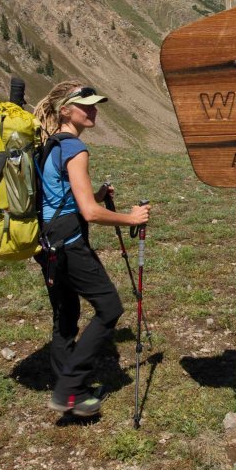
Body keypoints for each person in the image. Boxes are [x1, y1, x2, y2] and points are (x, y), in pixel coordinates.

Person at [33, 81, 150, 417]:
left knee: (66, 316)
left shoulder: (51, 144)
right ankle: (70, 390)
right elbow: (90, 214)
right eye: (86, 106)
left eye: (96, 105)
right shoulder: (75, 149)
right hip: (69, 244)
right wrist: (131, 218)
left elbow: (61, 197)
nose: (94, 110)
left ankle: (69, 389)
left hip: (46, 244)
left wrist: (96, 194)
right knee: (110, 308)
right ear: (66, 110)